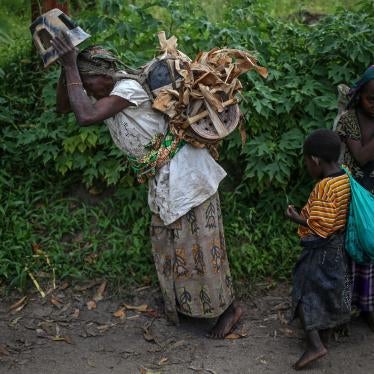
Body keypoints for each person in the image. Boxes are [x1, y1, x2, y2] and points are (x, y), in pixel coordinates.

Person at [51, 32, 243, 338]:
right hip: (164, 177)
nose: (86, 92)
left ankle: (229, 309)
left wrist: (71, 66)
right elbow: (65, 108)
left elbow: (85, 116)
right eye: (83, 87)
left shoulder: (128, 89)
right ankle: (188, 306)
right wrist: (67, 68)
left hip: (185, 173)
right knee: (173, 245)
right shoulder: (106, 93)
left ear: (103, 77)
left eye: (88, 85)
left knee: (201, 247)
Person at [286, 129, 351, 370]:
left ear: (314, 160)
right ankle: (326, 336)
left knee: (304, 294)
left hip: (321, 250)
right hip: (339, 246)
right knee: (328, 290)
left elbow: (321, 226)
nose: (307, 167)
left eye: (306, 162)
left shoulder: (324, 187)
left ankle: (314, 344)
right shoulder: (346, 177)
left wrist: (296, 218)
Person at [335, 65, 374, 331]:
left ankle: (369, 307)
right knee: (349, 254)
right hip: (352, 197)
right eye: (371, 99)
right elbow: (360, 156)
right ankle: (345, 308)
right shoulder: (348, 119)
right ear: (359, 95)